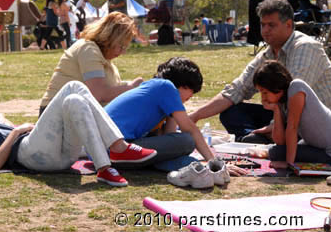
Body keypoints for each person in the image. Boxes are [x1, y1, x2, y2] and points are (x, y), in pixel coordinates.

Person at [0, 81, 158, 187]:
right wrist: (15, 131)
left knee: (74, 99)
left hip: (53, 154)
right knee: (73, 86)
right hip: (29, 153)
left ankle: (105, 168)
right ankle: (118, 147)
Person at [190, 0, 331, 144]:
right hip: (286, 117)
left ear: (289, 25)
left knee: (282, 114)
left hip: (318, 124)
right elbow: (237, 89)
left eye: (271, 25)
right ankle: (259, 140)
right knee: (231, 112)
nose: (265, 30)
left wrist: (274, 126)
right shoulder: (268, 54)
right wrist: (195, 115)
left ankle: (263, 140)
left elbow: (293, 97)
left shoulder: (306, 47)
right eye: (263, 25)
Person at [105, 57, 246, 176]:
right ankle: (209, 167)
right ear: (183, 85)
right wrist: (214, 161)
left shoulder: (155, 92)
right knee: (187, 140)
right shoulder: (165, 87)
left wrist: (171, 116)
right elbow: (189, 130)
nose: (190, 97)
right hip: (118, 149)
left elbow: (168, 139)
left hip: (106, 153)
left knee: (184, 156)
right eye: (192, 91)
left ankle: (195, 167)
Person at [251, 60, 331, 169]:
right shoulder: (282, 102)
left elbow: (292, 128)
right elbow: (280, 141)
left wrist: (289, 164)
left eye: (265, 92)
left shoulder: (296, 88)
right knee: (278, 150)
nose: (263, 98)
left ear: (276, 86)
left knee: (276, 153)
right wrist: (276, 110)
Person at [39, 12, 143, 116]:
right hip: (55, 114)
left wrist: (138, 86)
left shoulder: (105, 59)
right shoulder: (88, 49)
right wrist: (131, 87)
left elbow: (112, 87)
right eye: (121, 46)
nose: (123, 52)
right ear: (110, 38)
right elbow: (98, 93)